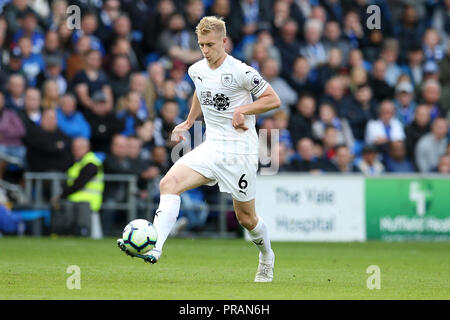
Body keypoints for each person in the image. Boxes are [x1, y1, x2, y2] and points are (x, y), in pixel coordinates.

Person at [118, 16, 280, 282]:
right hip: (212, 147)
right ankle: (155, 246)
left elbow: (273, 98)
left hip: (240, 152)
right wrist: (190, 120)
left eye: (210, 44)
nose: (206, 50)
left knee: (247, 219)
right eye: (201, 45)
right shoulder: (196, 69)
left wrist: (244, 109)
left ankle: (266, 256)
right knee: (168, 183)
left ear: (224, 42)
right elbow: (200, 89)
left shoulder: (241, 71)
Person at [51, 138, 104, 239]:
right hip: (75, 200)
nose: (76, 151)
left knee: (66, 206)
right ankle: (60, 232)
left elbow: (78, 184)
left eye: (79, 148)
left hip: (88, 202)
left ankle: (70, 232)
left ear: (87, 148)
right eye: (74, 148)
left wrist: (60, 196)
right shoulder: (78, 163)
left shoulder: (92, 163)